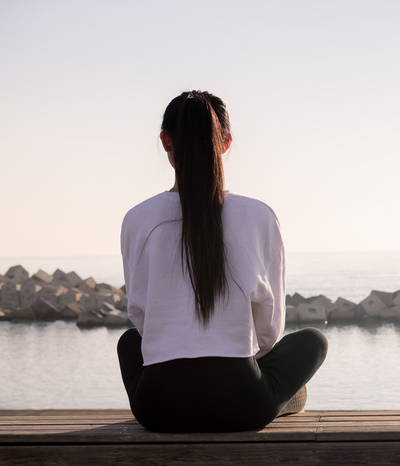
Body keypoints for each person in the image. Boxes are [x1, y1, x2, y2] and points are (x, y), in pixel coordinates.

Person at [117, 90, 328, 433]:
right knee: (314, 339)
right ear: (226, 143)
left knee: (128, 341)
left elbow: (140, 314)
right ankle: (278, 395)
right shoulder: (258, 215)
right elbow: (269, 327)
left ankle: (273, 393)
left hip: (158, 409)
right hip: (242, 404)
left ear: (166, 141)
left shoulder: (137, 218)